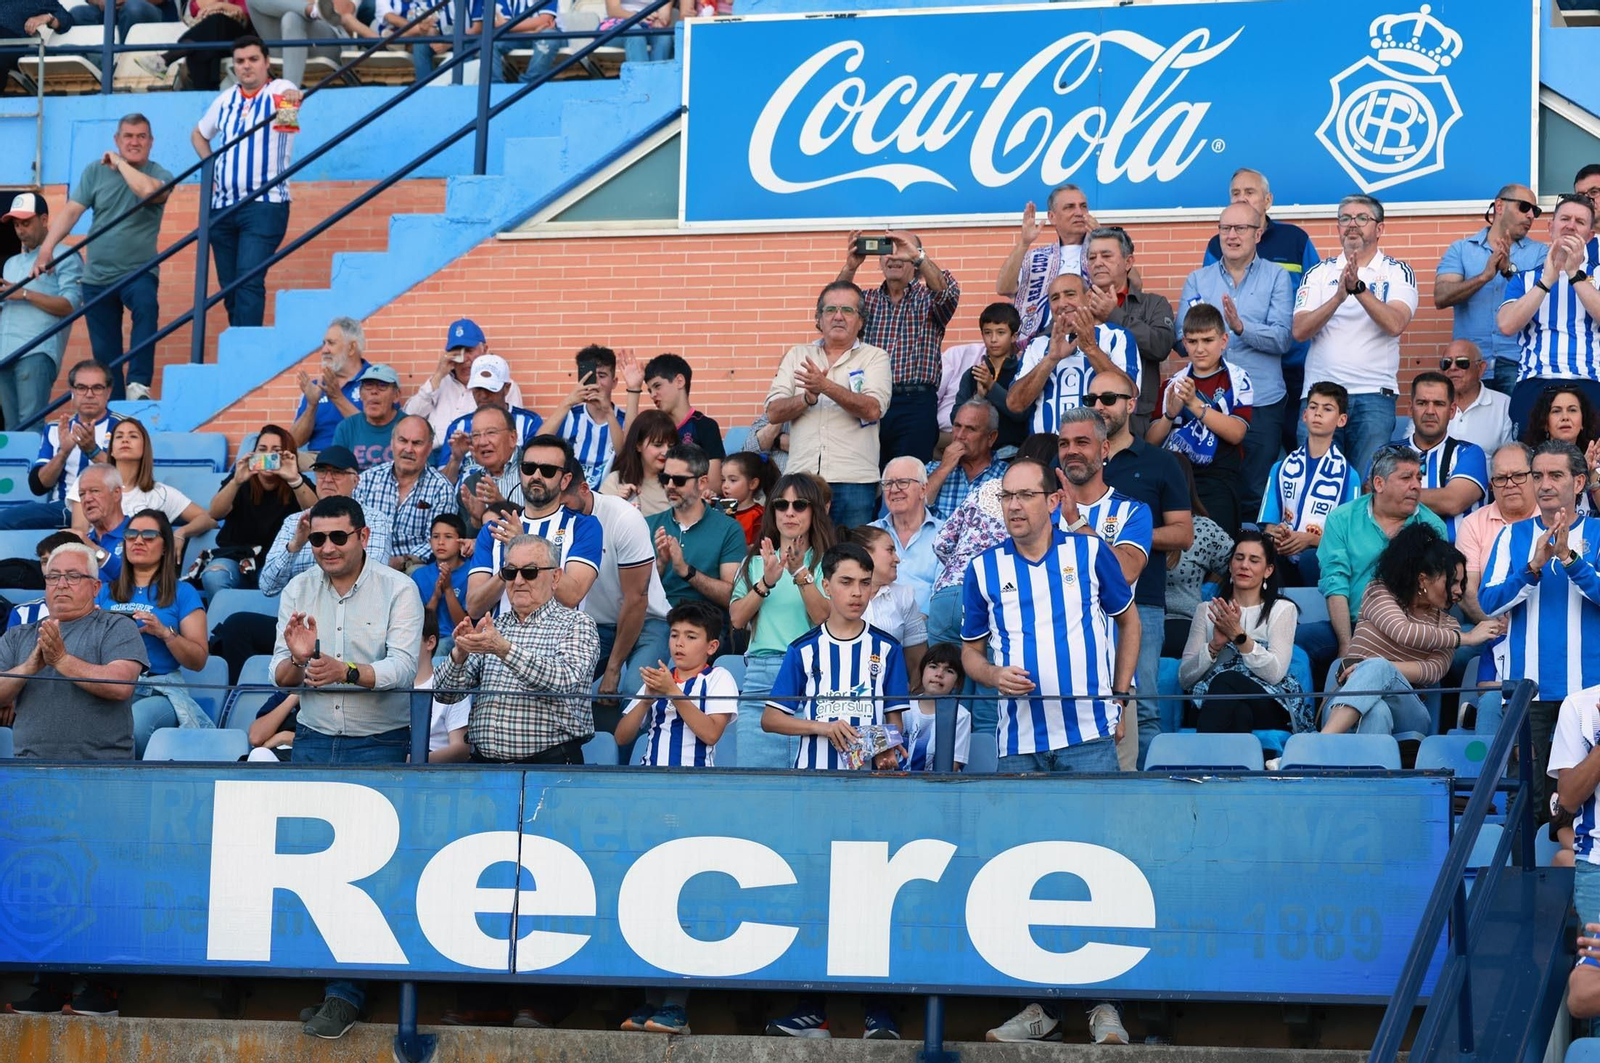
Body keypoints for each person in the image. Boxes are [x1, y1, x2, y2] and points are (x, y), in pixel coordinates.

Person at [970, 460, 1137, 1048]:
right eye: (1005, 497)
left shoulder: (1091, 554)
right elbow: (969, 654)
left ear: (1053, 496)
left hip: (1088, 736)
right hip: (1019, 743)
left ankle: (1103, 1005)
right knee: (1027, 869)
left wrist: (1119, 696)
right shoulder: (983, 568)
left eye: (1025, 495)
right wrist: (992, 673)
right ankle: (1036, 1006)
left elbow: (1129, 621)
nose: (1014, 506)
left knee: (1096, 864)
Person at [273, 495, 421, 1040]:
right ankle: (334, 987)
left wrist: (344, 669)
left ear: (362, 536)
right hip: (313, 738)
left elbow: (403, 670)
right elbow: (280, 675)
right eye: (318, 538)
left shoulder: (398, 588)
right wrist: (301, 660)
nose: (328, 548)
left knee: (362, 871)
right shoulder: (297, 588)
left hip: (378, 742)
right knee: (316, 869)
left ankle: (345, 993)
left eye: (339, 537)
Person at [761, 540, 909, 1040]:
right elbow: (769, 718)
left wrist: (888, 751)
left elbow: (896, 726)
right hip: (815, 789)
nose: (856, 592)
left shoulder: (886, 649)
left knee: (871, 897)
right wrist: (825, 728)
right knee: (814, 897)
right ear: (826, 584)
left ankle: (878, 1012)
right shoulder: (804, 650)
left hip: (869, 792)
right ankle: (810, 1008)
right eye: (846, 582)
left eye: (865, 583)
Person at [0, 542, 147, 1020]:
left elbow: (121, 684)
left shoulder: (116, 626)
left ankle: (102, 988)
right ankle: (49, 982)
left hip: (100, 776)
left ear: (95, 586)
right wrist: (34, 664)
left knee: (99, 884)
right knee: (45, 882)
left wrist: (63, 661)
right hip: (34, 777)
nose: (61, 584)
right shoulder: (21, 636)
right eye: (53, 576)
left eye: (72, 577)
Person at [1480, 440, 1600, 819]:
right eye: (1538, 475)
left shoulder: (1597, 533)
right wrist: (1532, 568)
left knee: (1584, 801)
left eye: (1556, 475)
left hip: (1588, 693)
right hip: (1526, 692)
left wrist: (1569, 559)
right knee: (1525, 801)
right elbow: (1488, 603)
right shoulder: (1511, 536)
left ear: (1579, 482)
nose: (1545, 484)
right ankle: (1519, 878)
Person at [33, 115, 172, 402]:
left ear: (151, 141)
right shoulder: (94, 172)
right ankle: (118, 405)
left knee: (147, 307)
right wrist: (47, 249)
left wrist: (120, 164)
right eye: (128, 136)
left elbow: (147, 192)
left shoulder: (160, 174)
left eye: (141, 136)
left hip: (138, 271)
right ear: (117, 140)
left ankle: (138, 384)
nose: (135, 141)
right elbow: (72, 211)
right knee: (106, 352)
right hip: (97, 278)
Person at [1096, 368, 1193, 768]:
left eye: (1108, 398)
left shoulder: (1160, 462)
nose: (1098, 406)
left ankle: (1147, 800)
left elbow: (1183, 534)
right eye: (1091, 400)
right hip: (1074, 599)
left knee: (1145, 705)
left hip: (1143, 601)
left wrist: (1129, 540)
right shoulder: (1073, 460)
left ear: (1131, 404)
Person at [1322, 524, 1502, 736]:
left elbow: (1432, 671)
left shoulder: (1448, 624)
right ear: (1423, 579)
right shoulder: (1379, 592)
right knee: (1377, 712)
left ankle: (1320, 745)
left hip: (1409, 713)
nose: (1457, 591)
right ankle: (1370, 768)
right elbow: (1403, 631)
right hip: (1346, 703)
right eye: (1452, 582)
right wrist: (1466, 638)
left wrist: (1373, 669)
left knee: (1378, 668)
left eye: (1462, 584)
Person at [437, 533, 599, 764]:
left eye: (530, 572)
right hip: (484, 768)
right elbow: (444, 694)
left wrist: (504, 650)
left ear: (555, 577)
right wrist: (459, 653)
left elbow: (564, 681)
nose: (519, 581)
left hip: (549, 767)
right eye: (510, 572)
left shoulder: (577, 624)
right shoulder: (494, 627)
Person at [1178, 202, 1294, 515]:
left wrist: (1241, 328)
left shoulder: (1277, 278)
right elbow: (1180, 337)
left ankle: (1253, 562)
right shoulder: (1198, 280)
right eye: (1225, 228)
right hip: (1205, 403)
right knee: (1206, 489)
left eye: (1240, 228)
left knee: (1257, 491)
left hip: (1261, 402)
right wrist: (1208, 345)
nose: (1231, 235)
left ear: (1258, 233)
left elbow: (1283, 338)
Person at [1292, 195, 1419, 479]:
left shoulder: (1397, 272)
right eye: (1345, 219)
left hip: (1373, 396)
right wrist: (1338, 297)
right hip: (1320, 397)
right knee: (1315, 482)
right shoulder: (1318, 274)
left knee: (1368, 486)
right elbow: (1300, 330)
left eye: (1362, 218)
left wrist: (1358, 289)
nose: (1352, 225)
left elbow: (1395, 323)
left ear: (1379, 228)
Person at [1201, 168, 1321, 457]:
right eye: (1235, 193)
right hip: (1240, 373)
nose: (1242, 198)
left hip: (1294, 367)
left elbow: (1317, 295)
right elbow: (1207, 306)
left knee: (1296, 448)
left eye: (1250, 192)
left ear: (1268, 200)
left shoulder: (1295, 239)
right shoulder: (1217, 246)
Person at [190, 36, 301, 330]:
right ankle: (239, 348)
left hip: (265, 204)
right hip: (222, 206)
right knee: (230, 288)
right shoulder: (225, 99)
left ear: (266, 62)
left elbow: (290, 110)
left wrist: (291, 97)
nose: (246, 66)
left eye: (253, 59)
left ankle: (245, 351)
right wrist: (211, 166)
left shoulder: (279, 89)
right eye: (240, 61)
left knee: (248, 279)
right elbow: (199, 135)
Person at [763, 282, 892, 527]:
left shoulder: (875, 357)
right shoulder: (797, 355)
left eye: (848, 310)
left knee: (851, 556)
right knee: (802, 553)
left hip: (854, 479)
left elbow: (873, 409)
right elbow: (773, 411)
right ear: (819, 319)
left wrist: (825, 386)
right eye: (830, 309)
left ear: (861, 321)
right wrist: (806, 398)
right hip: (802, 477)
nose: (838, 316)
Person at [729, 472, 835, 769]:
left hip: (815, 677)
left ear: (814, 510)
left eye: (799, 505)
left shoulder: (830, 561)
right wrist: (766, 582)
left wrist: (800, 573)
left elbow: (824, 618)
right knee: (756, 792)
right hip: (761, 679)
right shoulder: (755, 560)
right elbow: (737, 619)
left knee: (811, 794)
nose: (789, 512)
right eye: (781, 504)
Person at [560, 458, 672, 734]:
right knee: (563, 686)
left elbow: (636, 600)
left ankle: (638, 768)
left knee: (637, 690)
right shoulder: (553, 522)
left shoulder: (622, 516)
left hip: (648, 620)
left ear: (584, 489)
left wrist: (613, 668)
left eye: (566, 504)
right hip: (595, 627)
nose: (562, 512)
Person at [926, 433, 1058, 663]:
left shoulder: (987, 487)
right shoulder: (1042, 503)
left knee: (942, 685)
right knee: (988, 688)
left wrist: (960, 569)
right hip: (991, 596)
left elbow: (941, 542)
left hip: (946, 595)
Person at [837, 229, 960, 465]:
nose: (894, 256)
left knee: (909, 478)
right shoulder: (865, 300)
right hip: (869, 399)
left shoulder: (928, 297)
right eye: (887, 250)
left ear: (915, 259)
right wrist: (851, 267)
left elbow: (947, 295)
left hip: (916, 404)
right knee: (866, 476)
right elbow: (832, 307)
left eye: (902, 250)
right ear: (880, 260)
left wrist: (918, 257)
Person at [98, 509, 213, 757]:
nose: (138, 541)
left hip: (160, 689)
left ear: (165, 547)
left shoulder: (183, 593)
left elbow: (198, 659)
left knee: (136, 724)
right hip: (111, 683)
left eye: (149, 535)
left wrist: (164, 633)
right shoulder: (104, 592)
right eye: (131, 534)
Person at [1319, 445, 1447, 663]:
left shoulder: (1433, 527)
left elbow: (1435, 596)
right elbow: (1335, 583)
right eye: (1406, 478)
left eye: (1419, 478)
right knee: (1300, 642)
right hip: (1352, 624)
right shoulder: (1341, 519)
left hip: (1407, 631)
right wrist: (1347, 644)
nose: (1416, 486)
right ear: (1379, 483)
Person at [1178, 529, 1306, 734]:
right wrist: (1214, 646)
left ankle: (1200, 761)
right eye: (1239, 558)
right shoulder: (1206, 611)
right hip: (1214, 701)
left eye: (1254, 560)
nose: (1244, 565)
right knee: (1239, 713)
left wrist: (1239, 637)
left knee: (1226, 680)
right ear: (1230, 565)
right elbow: (1185, 678)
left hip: (1268, 701)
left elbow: (1274, 674)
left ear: (1268, 570)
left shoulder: (1282, 610)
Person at [1146, 301, 1253, 536]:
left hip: (1219, 479)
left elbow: (1236, 433)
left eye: (1208, 340)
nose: (1200, 349)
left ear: (1223, 341)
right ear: (1184, 343)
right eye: (1193, 342)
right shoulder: (1172, 383)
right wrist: (1170, 415)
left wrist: (1194, 405)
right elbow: (1151, 441)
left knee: (1220, 552)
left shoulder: (1237, 379)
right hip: (1178, 478)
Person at [465, 434, 603, 616]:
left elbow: (572, 596)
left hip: (556, 641)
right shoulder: (493, 529)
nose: (536, 476)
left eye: (548, 471)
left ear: (565, 480)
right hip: (498, 638)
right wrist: (507, 571)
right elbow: (474, 608)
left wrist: (523, 544)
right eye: (529, 468)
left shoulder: (583, 526)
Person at [1434, 182, 1550, 397]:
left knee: (1519, 429)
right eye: (1524, 207)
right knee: (1468, 429)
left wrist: (1508, 272)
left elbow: (1544, 299)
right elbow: (1441, 297)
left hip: (1519, 361)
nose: (1531, 215)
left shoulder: (1541, 253)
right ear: (1499, 206)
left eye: (1536, 211)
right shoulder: (1461, 249)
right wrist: (1484, 277)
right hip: (1469, 364)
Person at [1497, 193, 1600, 428]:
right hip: (1535, 382)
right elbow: (1506, 325)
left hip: (1590, 381)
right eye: (1565, 219)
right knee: (1534, 462)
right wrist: (1546, 281)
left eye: (1580, 222)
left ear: (1590, 236)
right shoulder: (1524, 279)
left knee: (1590, 462)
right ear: (1550, 227)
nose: (1571, 226)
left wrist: (1575, 275)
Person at [1006, 272, 1140, 435]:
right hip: (1046, 452)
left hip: (1103, 448)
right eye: (1055, 298)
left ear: (1089, 297)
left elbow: (1130, 393)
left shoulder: (1116, 336)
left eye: (1070, 294)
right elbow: (1015, 404)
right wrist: (1050, 359)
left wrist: (1091, 348)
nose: (1062, 303)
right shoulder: (1037, 345)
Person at [1259, 380, 1362, 588]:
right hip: (1281, 556)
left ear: (1341, 420)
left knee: (1310, 559)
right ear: (1304, 415)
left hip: (1319, 560)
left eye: (1327, 408)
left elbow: (1350, 540)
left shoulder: (1349, 477)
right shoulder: (1280, 468)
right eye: (1313, 407)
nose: (1318, 413)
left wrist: (1310, 540)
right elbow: (1269, 525)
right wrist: (1276, 535)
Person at [69, 418, 216, 559]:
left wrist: (181, 532)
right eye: (119, 437)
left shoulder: (161, 493)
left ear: (144, 448)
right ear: (111, 450)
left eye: (133, 436)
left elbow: (208, 519)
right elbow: (80, 532)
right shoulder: (87, 481)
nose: (125, 440)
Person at [614, 598, 737, 765]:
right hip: (651, 777)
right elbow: (621, 738)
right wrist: (645, 701)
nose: (679, 643)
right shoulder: (659, 678)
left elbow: (711, 734)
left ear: (712, 646)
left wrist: (672, 691)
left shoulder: (718, 677)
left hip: (696, 780)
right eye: (674, 635)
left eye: (691, 637)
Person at [2, 359, 120, 531]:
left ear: (108, 392)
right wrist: (63, 453)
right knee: (5, 519)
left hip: (111, 508)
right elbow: (38, 486)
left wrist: (93, 451)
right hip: (64, 508)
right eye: (81, 388)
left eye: (97, 388)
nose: (89, 394)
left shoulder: (125, 427)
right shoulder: (55, 428)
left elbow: (133, 477)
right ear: (72, 391)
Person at [204, 424, 317, 596]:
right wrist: (236, 481)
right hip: (236, 557)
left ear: (288, 455)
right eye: (262, 449)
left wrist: (294, 479)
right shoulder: (241, 480)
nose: (268, 456)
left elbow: (314, 514)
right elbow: (215, 513)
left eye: (276, 450)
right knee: (214, 576)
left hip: (277, 560)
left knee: (277, 580)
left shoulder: (297, 482)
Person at [0, 192, 82, 429]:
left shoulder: (64, 254)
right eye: (16, 224)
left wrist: (24, 293)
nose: (20, 230)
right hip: (5, 351)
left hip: (36, 350)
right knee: (11, 429)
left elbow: (70, 305)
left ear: (44, 220)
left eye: (26, 223)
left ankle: (35, 468)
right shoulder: (11, 263)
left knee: (30, 425)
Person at [1084, 226, 1174, 434]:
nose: (1097, 262)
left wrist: (1114, 315)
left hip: (1134, 421)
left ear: (1128, 262)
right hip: (1084, 418)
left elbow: (1161, 346)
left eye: (1106, 255)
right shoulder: (1075, 304)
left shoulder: (1153, 304)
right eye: (1092, 257)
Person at [1056, 404, 1152, 591]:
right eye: (1064, 444)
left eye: (1082, 442)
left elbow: (1127, 572)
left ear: (1104, 449)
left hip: (1112, 621)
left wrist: (1076, 523)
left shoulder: (1133, 511)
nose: (1071, 451)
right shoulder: (1045, 509)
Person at [647, 443, 746, 613]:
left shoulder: (729, 529)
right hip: (657, 621)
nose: (670, 485)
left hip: (706, 623)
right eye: (665, 478)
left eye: (679, 480)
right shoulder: (648, 524)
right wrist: (661, 564)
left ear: (702, 483)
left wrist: (686, 571)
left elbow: (733, 596)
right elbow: (633, 591)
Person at [352, 415, 457, 570]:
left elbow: (439, 540)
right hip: (365, 564)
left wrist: (403, 561)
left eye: (417, 443)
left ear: (429, 448)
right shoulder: (366, 481)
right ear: (392, 443)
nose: (409, 449)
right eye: (403, 441)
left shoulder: (441, 489)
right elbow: (352, 530)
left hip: (411, 567)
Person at [258, 445, 364, 595]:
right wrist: (295, 545)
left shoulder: (373, 519)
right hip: (299, 613)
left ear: (355, 480)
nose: (327, 479)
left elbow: (366, 581)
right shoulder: (295, 522)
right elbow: (268, 587)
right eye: (321, 471)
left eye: (337, 472)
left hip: (351, 611)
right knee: (237, 619)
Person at [997, 184, 1094, 345]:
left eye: (1083, 206)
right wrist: (1024, 243)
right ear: (1052, 217)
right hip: (1038, 343)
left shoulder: (1102, 249)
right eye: (1070, 207)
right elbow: (1003, 288)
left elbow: (1134, 283)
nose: (1079, 212)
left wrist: (1101, 238)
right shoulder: (1036, 257)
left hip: (1088, 338)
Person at [1399, 371, 1488, 543]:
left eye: (1439, 404)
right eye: (1422, 403)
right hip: (1397, 559)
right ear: (1410, 409)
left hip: (1455, 558)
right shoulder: (1388, 453)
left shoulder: (1469, 453)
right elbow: (1370, 501)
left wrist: (1393, 495)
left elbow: (1452, 501)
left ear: (1452, 410)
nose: (1430, 411)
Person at [406, 319, 527, 446]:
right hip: (433, 457)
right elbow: (408, 418)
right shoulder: (438, 383)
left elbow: (516, 427)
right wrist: (437, 376)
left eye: (469, 351)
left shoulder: (502, 385)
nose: (464, 359)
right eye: (457, 352)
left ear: (484, 350)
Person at [1160, 457, 1232, 661]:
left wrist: (1216, 597)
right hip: (1133, 622)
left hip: (1183, 622)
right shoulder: (1131, 520)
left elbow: (1239, 565)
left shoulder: (1202, 528)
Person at [436, 353, 543, 484]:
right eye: (478, 389)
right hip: (464, 502)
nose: (483, 396)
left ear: (507, 388)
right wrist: (455, 459)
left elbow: (538, 473)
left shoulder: (529, 423)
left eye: (490, 389)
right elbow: (443, 485)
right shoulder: (458, 426)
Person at [845, 524, 929, 688]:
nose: (897, 558)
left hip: (889, 700)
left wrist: (907, 707)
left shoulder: (904, 596)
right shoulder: (833, 594)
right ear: (864, 553)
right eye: (890, 550)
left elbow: (916, 664)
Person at [637, 352, 724, 495]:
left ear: (679, 381)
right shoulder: (653, 427)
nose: (653, 395)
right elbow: (628, 453)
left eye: (657, 386)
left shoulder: (705, 426)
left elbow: (713, 484)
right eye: (649, 390)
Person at [952, 302, 1030, 453]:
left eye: (1001, 333)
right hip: (976, 453)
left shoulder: (1023, 370)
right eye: (988, 333)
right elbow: (955, 417)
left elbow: (1022, 413)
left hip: (1013, 452)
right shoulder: (973, 374)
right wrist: (978, 398)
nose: (993, 339)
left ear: (1014, 336)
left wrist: (992, 387)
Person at [547, 344, 627, 490]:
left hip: (609, 498)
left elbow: (626, 457)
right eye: (590, 376)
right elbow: (537, 444)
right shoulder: (570, 415)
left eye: (602, 376)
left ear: (614, 383)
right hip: (570, 496)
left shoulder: (624, 419)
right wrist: (568, 402)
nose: (596, 382)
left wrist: (608, 410)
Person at [870, 456, 942, 614]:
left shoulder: (945, 535)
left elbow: (944, 594)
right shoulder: (869, 534)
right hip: (876, 626)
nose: (894, 489)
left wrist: (915, 626)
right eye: (888, 484)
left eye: (903, 482)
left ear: (923, 489)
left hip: (927, 630)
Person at [290, 317, 369, 451]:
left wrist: (337, 397)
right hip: (316, 459)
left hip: (355, 457)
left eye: (331, 343)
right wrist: (311, 405)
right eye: (324, 343)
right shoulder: (316, 387)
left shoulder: (375, 383)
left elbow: (373, 433)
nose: (324, 350)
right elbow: (295, 442)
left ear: (351, 348)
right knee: (274, 462)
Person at [141, 0, 255, 91]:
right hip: (213, 38)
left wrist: (221, 5)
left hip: (242, 36)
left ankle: (168, 57)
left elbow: (248, 12)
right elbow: (196, 9)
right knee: (202, 44)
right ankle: (206, 93)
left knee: (217, 21)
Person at [1520, 386, 1600, 514]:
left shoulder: (1596, 460)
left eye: (1572, 410)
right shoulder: (1526, 460)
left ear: (1583, 422)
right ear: (1545, 423)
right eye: (1556, 411)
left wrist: (1592, 474)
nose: (1565, 417)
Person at [925, 398, 1009, 520]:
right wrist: (944, 468)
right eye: (957, 426)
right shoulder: (932, 469)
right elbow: (914, 508)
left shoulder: (1007, 476)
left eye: (970, 429)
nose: (959, 435)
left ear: (991, 437)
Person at [412, 610, 471, 763]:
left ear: (430, 643)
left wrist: (412, 761)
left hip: (435, 774)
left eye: (409, 636)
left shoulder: (451, 682)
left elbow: (461, 748)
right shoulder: (388, 684)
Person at [902, 643, 972, 771]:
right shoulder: (903, 707)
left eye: (949, 671)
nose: (939, 674)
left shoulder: (961, 715)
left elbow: (952, 766)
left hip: (936, 787)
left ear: (958, 682)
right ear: (922, 671)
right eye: (933, 666)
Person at [453, 405, 524, 529]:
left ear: (512, 438)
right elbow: (464, 540)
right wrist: (476, 520)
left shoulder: (534, 470)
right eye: (475, 435)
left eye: (491, 433)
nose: (482, 442)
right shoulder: (471, 485)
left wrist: (500, 504)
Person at [1440, 340, 1514, 455]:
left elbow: (1511, 458)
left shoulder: (1504, 405)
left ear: (1481, 368)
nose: (1453, 367)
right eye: (1446, 363)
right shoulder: (1431, 404)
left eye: (1462, 362)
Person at [600, 407, 676, 516]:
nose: (666, 451)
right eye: (658, 445)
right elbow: (598, 521)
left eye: (671, 446)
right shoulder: (616, 480)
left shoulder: (677, 483)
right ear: (638, 445)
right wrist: (615, 503)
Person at [330, 363, 403, 470]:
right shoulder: (346, 428)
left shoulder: (410, 427)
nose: (374, 391)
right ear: (360, 393)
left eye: (382, 386)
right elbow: (337, 471)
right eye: (368, 385)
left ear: (396, 395)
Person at [411, 513, 472, 628]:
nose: (440, 542)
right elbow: (418, 626)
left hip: (457, 638)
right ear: (429, 542)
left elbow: (465, 627)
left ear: (461, 543)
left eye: (448, 537)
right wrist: (435, 596)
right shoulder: (419, 576)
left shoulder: (471, 574)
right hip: (427, 637)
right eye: (435, 536)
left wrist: (448, 589)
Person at [76, 464, 131, 583]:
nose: (87, 499)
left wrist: (94, 550)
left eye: (95, 491)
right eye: (82, 494)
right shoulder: (84, 542)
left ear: (116, 493)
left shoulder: (139, 534)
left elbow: (138, 580)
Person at [718, 451, 774, 548]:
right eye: (723, 480)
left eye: (733, 480)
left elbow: (755, 548)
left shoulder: (759, 515)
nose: (725, 486)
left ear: (752, 484)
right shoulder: (720, 508)